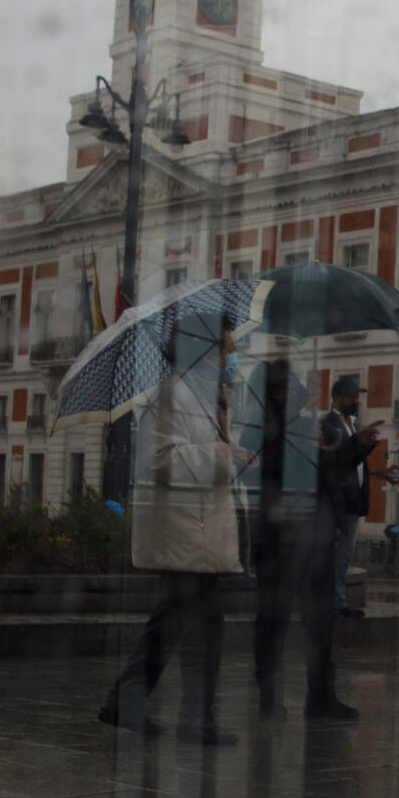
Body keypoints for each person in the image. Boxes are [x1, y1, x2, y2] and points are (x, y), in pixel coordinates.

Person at [97, 310, 252, 746]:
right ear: (202, 348)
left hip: (200, 529)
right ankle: (173, 712)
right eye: (225, 344)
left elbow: (203, 457)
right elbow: (160, 460)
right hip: (184, 530)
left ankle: (176, 712)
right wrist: (224, 457)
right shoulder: (169, 395)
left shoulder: (207, 395)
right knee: (185, 623)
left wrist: (229, 447)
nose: (232, 352)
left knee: (192, 623)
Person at [242, 360, 357, 721]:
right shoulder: (255, 431)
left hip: (314, 537)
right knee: (273, 618)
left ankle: (321, 695)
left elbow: (331, 470)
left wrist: (350, 447)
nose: (289, 395)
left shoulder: (308, 425)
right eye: (282, 389)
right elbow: (251, 478)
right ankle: (270, 697)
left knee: (320, 618)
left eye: (292, 389)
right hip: (276, 538)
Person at [319, 375, 380, 619]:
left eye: (357, 396)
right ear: (337, 398)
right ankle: (336, 601)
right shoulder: (328, 424)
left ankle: (338, 600)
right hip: (337, 500)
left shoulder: (354, 423)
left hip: (353, 500)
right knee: (336, 553)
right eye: (351, 396)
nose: (356, 400)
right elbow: (336, 461)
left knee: (345, 554)